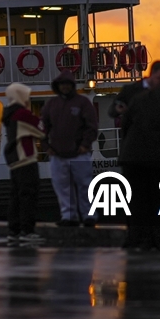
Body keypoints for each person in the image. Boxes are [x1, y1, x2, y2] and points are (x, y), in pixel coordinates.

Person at [119, 61, 160, 250]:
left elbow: (126, 123)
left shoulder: (140, 99)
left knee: (137, 201)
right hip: (157, 159)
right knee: (159, 202)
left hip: (132, 156)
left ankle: (138, 239)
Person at [40, 70, 99, 227]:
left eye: (67, 84)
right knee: (62, 188)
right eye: (62, 84)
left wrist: (85, 145)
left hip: (79, 154)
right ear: (58, 86)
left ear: (72, 86)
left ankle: (89, 216)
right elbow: (43, 128)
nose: (64, 87)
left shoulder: (83, 103)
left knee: (84, 186)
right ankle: (68, 216)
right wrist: (47, 147)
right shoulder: (51, 105)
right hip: (57, 154)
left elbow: (92, 126)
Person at [2, 83, 45, 244]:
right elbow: (41, 130)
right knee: (29, 195)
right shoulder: (22, 114)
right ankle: (28, 230)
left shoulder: (9, 114)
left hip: (14, 160)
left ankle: (14, 230)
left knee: (15, 197)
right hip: (25, 158)